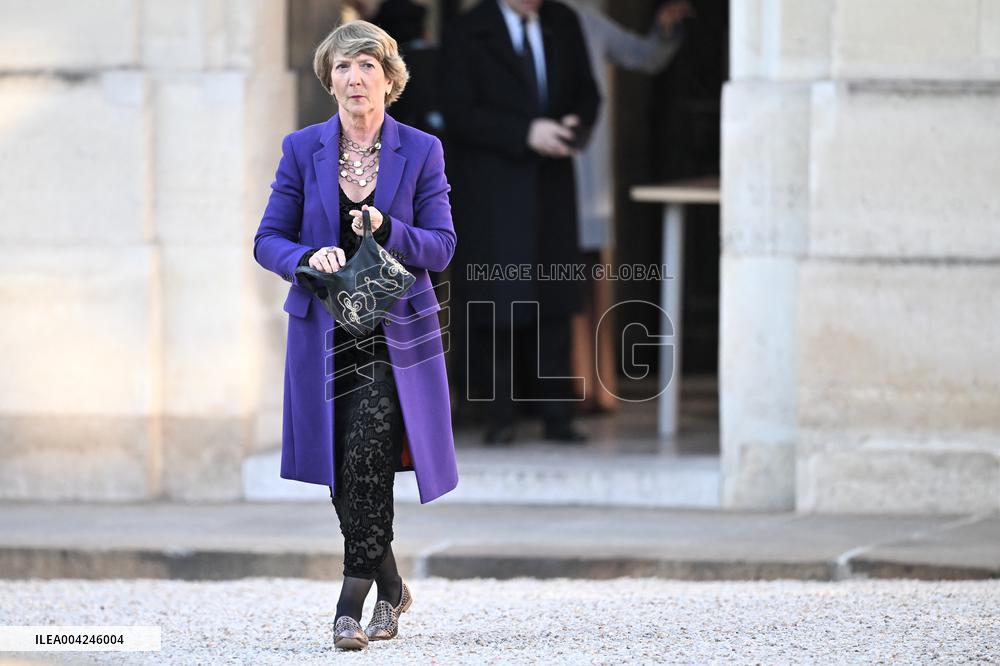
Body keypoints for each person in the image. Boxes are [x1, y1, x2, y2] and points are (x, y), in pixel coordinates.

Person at [252, 20, 458, 651]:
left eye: (367, 66)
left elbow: (443, 247)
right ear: (330, 80)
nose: (354, 78)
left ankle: (348, 604)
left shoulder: (420, 150)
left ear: (389, 79)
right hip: (322, 334)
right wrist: (307, 258)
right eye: (343, 67)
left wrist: (391, 228)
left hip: (393, 337)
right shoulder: (301, 148)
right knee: (346, 469)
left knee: (369, 449)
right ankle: (392, 587)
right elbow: (268, 240)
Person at [442, 0, 600, 445]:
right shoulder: (468, 29)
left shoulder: (563, 21)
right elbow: (458, 111)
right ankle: (499, 415)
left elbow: (588, 92)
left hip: (552, 183)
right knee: (497, 300)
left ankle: (558, 415)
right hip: (493, 188)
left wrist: (577, 124)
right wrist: (524, 133)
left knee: (554, 295)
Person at [563, 0, 694, 413]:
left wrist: (664, 29)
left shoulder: (583, 20)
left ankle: (591, 385)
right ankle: (558, 390)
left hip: (582, 174)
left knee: (586, 275)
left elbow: (644, 55)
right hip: (524, 168)